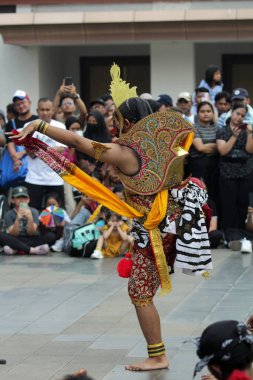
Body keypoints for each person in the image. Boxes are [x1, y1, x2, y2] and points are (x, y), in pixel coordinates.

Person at [10, 64, 212, 372]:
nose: (112, 125)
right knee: (142, 292)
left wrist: (40, 125)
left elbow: (80, 144)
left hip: (157, 230)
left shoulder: (129, 154)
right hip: (171, 224)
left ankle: (158, 355)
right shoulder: (158, 145)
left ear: (129, 122)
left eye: (116, 120)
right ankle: (156, 353)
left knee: (140, 293)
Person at [216, 103, 253, 233]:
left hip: (245, 171)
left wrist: (249, 133)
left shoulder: (247, 131)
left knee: (243, 204)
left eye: (243, 115)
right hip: (227, 171)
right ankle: (229, 234)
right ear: (232, 112)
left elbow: (249, 149)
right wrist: (234, 136)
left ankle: (243, 234)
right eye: (238, 114)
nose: (239, 117)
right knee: (228, 204)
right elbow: (223, 151)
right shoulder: (222, 130)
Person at [24, 97, 66, 210]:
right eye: (42, 110)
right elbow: (30, 154)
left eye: (48, 109)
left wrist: (37, 148)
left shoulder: (60, 127)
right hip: (34, 178)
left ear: (53, 110)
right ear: (37, 110)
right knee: (34, 212)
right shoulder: (28, 126)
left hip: (55, 178)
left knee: (56, 215)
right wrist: (50, 150)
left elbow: (61, 150)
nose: (45, 112)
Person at [0, 186, 56, 255]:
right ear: (12, 200)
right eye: (18, 197)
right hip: (16, 238)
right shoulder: (9, 214)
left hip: (31, 238)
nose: (22, 200)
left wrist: (30, 218)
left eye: (24, 197)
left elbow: (31, 233)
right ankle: (32, 250)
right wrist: (18, 219)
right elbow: (14, 234)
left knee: (51, 236)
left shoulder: (34, 211)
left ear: (28, 200)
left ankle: (17, 248)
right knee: (1, 235)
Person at [187, 101, 219, 205]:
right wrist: (216, 145)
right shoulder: (194, 127)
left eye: (209, 111)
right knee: (200, 193)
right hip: (199, 165)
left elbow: (221, 147)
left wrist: (208, 146)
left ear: (213, 113)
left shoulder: (218, 128)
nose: (206, 113)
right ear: (198, 113)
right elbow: (200, 148)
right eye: (202, 111)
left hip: (215, 164)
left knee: (215, 193)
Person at [5, 90, 37, 176]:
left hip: (36, 163)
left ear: (29, 102)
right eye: (17, 104)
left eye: (23, 102)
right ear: (15, 107)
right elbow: (10, 142)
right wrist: (15, 158)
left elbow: (40, 141)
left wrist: (22, 153)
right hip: (19, 165)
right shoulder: (11, 123)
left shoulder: (37, 120)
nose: (21, 106)